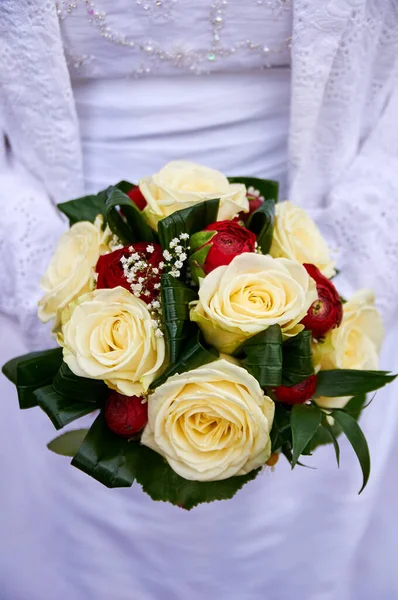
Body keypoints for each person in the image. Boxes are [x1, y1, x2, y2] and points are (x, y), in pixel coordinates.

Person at [1, 1, 398, 599]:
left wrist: (326, 271)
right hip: (65, 263)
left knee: (295, 553)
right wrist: (52, 285)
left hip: (324, 250)